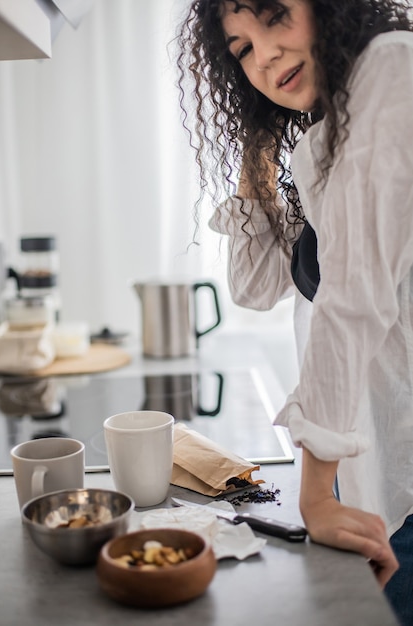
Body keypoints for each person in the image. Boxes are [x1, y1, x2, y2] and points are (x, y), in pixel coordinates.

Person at [176, 1, 413, 624]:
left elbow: (353, 297)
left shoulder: (392, 70)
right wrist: (259, 136)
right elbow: (256, 285)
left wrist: (313, 497)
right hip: (362, 457)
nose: (265, 56)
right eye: (242, 50)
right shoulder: (327, 131)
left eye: (275, 18)